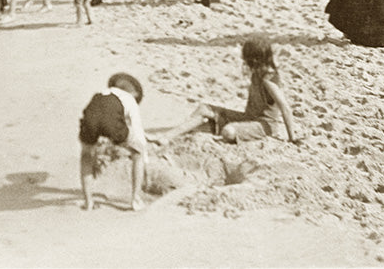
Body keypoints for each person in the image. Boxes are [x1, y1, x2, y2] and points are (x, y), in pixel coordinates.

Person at [152, 35, 299, 146]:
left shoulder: (268, 79)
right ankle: (168, 136)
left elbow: (285, 107)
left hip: (264, 126)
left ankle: (200, 132)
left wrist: (292, 138)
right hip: (249, 118)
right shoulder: (257, 73)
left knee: (229, 131)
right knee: (204, 108)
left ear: (254, 60)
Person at [79, 72, 147, 211]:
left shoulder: (100, 93)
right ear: (133, 93)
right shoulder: (130, 99)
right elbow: (136, 127)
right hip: (111, 123)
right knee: (138, 152)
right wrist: (143, 152)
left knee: (86, 155)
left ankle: (88, 202)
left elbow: (95, 112)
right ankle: (135, 200)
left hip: (90, 118)